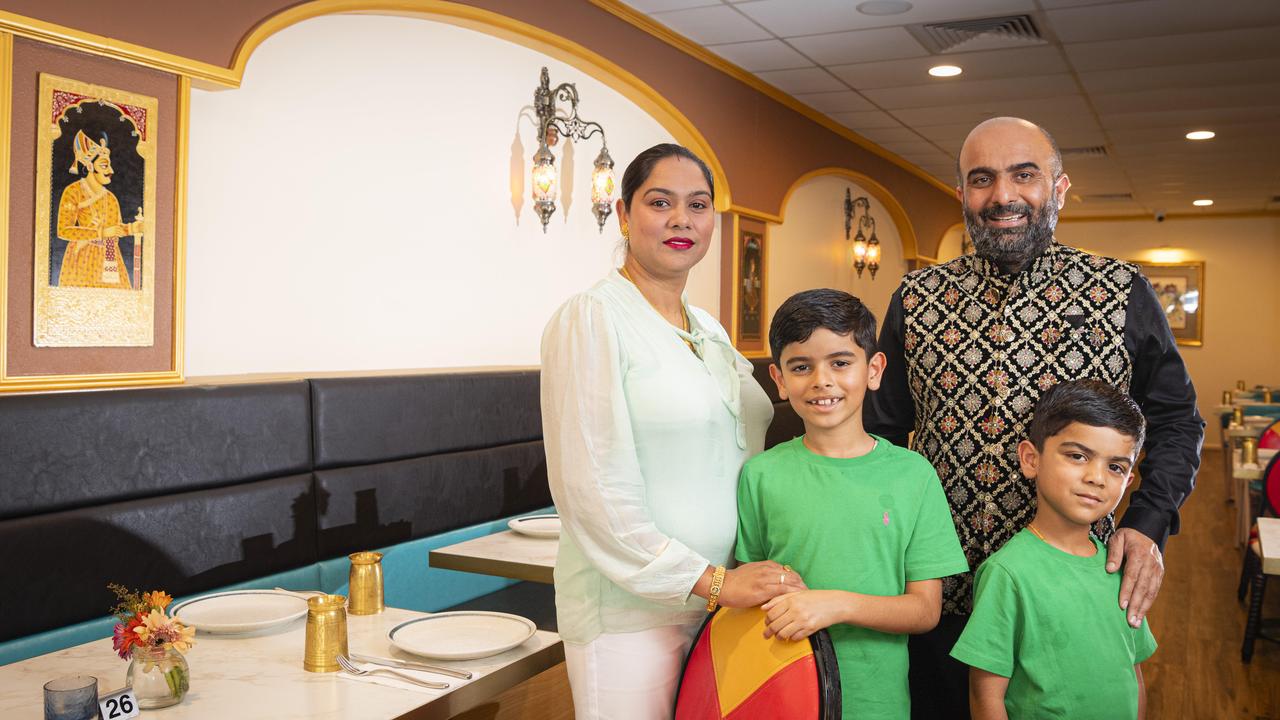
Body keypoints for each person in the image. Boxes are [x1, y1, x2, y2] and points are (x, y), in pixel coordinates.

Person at [866, 116, 1203, 718]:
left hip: (1071, 591)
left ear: (1060, 188)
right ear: (962, 194)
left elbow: (1178, 421)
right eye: (982, 179)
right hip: (937, 598)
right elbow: (880, 436)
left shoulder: (1120, 291)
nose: (1003, 196)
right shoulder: (914, 300)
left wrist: (1149, 527)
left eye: (1025, 175)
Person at [540, 143, 804, 719]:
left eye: (698, 205)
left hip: (721, 603)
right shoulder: (592, 318)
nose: (682, 219)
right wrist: (712, 582)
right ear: (624, 215)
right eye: (661, 202)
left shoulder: (707, 327)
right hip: (631, 611)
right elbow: (594, 496)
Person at [736, 288, 969, 719]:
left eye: (841, 363)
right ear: (780, 380)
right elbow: (750, 587)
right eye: (801, 367)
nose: (822, 380)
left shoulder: (913, 476)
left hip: (877, 702)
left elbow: (925, 609)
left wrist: (833, 604)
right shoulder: (760, 475)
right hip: (783, 694)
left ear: (874, 369)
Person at [951, 379, 1157, 719]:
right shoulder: (1008, 574)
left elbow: (1133, 676)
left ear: (1129, 480)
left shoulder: (1120, 568)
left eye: (1115, 467)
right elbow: (985, 695)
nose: (1097, 477)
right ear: (1031, 459)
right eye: (1078, 456)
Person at [56, 130, 142, 289]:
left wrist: (131, 228)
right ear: (89, 165)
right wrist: (100, 233)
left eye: (109, 165)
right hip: (83, 258)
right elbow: (63, 230)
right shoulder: (74, 192)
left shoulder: (110, 198)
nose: (111, 171)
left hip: (110, 260)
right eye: (104, 165)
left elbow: (114, 230)